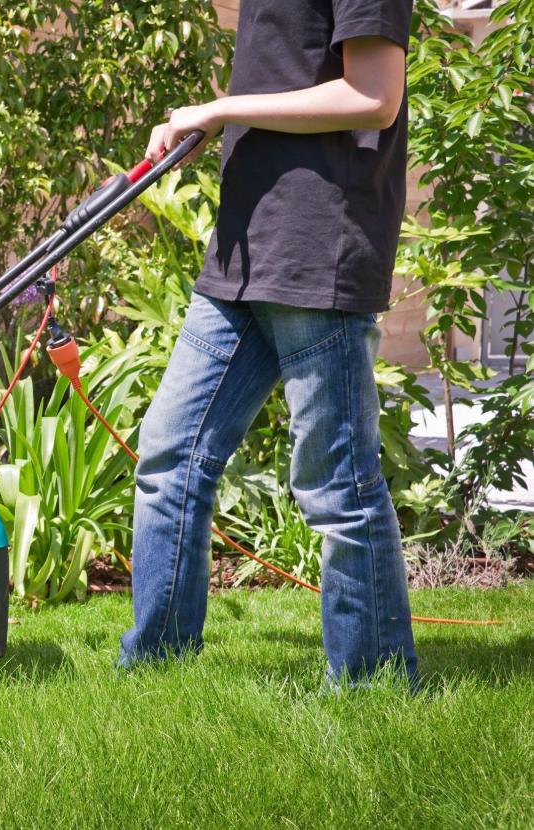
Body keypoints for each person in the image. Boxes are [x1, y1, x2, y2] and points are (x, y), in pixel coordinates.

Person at [120, 0, 418, 686]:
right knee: (170, 456)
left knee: (334, 485)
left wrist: (221, 110)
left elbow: (373, 96)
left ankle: (371, 684)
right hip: (245, 249)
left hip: (317, 244)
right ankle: (156, 670)